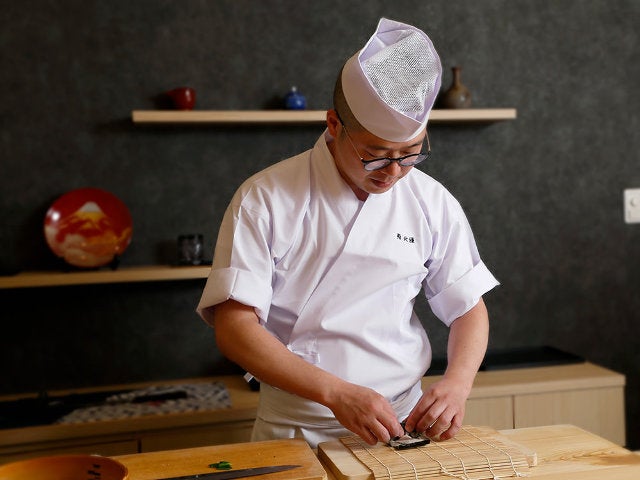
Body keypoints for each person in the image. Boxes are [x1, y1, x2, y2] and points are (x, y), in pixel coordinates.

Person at [197, 17, 499, 449]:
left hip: (403, 423)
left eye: (411, 154)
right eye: (376, 155)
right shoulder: (264, 197)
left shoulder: (431, 201)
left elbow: (468, 307)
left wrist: (458, 383)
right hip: (298, 427)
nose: (394, 172)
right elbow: (234, 327)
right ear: (334, 125)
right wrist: (336, 393)